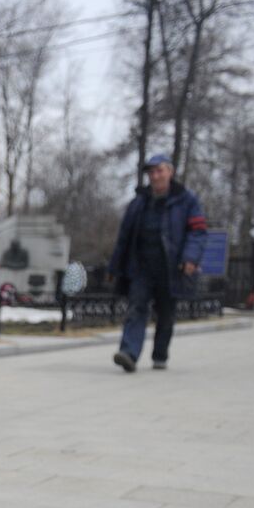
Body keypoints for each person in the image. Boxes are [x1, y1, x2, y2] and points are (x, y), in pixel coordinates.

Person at [109, 154, 207, 372]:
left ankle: (160, 354)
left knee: (166, 313)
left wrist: (190, 257)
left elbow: (198, 232)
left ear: (170, 172)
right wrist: (115, 266)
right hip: (142, 266)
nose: (155, 176)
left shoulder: (186, 200)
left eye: (159, 171)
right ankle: (129, 353)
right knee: (136, 308)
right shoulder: (139, 201)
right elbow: (124, 236)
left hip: (171, 267)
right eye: (151, 172)